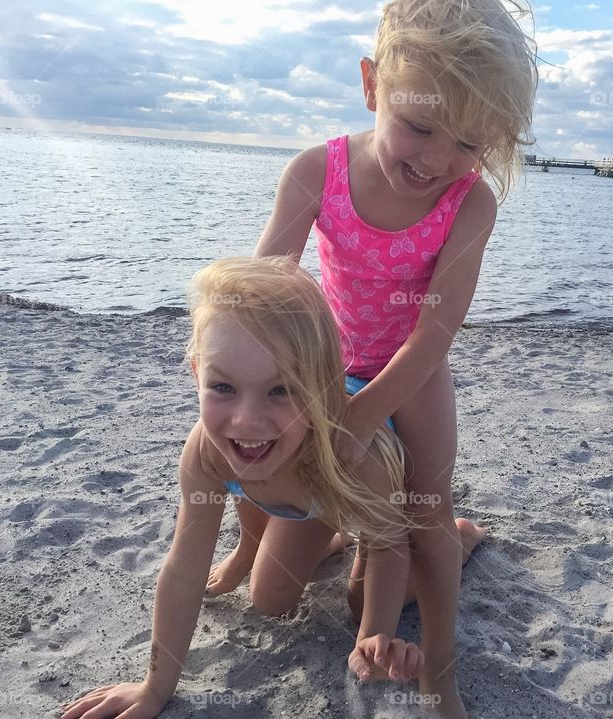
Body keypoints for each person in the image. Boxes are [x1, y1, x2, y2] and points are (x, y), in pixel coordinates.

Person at [230, 1, 537, 716]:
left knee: (423, 517)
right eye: (420, 125)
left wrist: (363, 415)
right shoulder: (317, 170)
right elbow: (263, 293)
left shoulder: (470, 205)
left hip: (413, 371)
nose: (436, 160)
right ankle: (307, 537)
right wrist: (249, 364)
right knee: (273, 598)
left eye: (467, 143)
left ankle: (443, 657)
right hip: (328, 364)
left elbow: (433, 335)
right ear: (373, 86)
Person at [61, 256, 425, 719]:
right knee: (269, 598)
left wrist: (374, 634)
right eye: (223, 388)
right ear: (196, 372)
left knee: (359, 602)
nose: (246, 420)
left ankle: (461, 536)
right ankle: (330, 539)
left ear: (321, 387)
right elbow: (184, 568)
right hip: (305, 497)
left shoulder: (358, 452)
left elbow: (390, 543)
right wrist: (154, 688)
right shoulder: (208, 450)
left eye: (280, 390)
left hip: (358, 492)